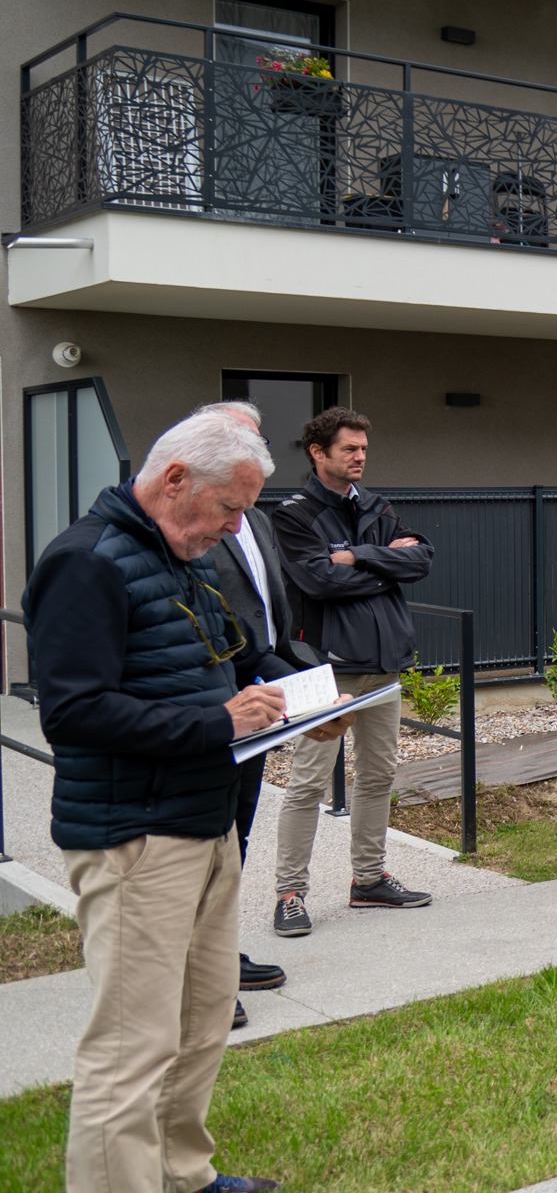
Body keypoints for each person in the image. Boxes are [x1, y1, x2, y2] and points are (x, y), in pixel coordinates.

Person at [30, 409, 349, 1193]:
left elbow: (217, 665)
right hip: (134, 837)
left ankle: (178, 1176)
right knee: (130, 1041)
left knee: (203, 1013)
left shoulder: (179, 555)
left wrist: (285, 698)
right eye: (224, 508)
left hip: (204, 822)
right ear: (174, 480)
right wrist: (215, 722)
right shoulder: (85, 562)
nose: (232, 528)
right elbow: (74, 711)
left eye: (242, 511)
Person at [267, 408, 432, 937]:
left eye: (363, 448)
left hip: (384, 665)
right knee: (308, 783)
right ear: (318, 453)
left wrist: (357, 556)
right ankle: (290, 893)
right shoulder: (292, 515)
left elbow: (422, 560)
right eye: (349, 449)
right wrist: (385, 564)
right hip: (325, 669)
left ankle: (368, 880)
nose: (360, 457)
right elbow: (316, 583)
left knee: (378, 776)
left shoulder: (376, 505)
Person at [201, 401, 320, 1027]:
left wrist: (298, 682)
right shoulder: (199, 526)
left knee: (237, 832)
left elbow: (271, 612)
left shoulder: (260, 521)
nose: (254, 458)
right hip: (219, 700)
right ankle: (204, 974)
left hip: (263, 687)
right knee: (209, 841)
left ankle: (221, 952)